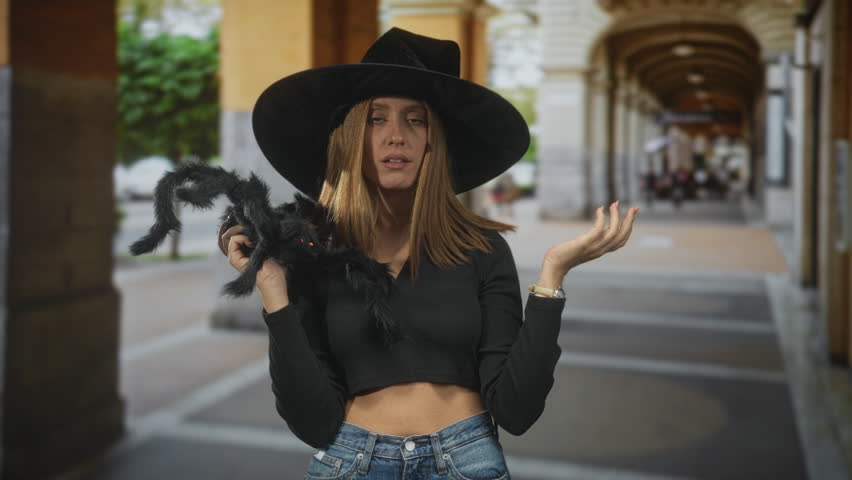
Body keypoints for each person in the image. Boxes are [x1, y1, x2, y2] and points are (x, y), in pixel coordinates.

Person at [217, 28, 638, 479]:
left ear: (432, 142)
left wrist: (551, 279)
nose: (396, 136)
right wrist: (273, 291)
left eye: (415, 119)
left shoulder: (481, 248)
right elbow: (311, 420)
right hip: (352, 462)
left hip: (466, 459)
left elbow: (517, 410)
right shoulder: (316, 252)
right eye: (376, 119)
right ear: (351, 139)